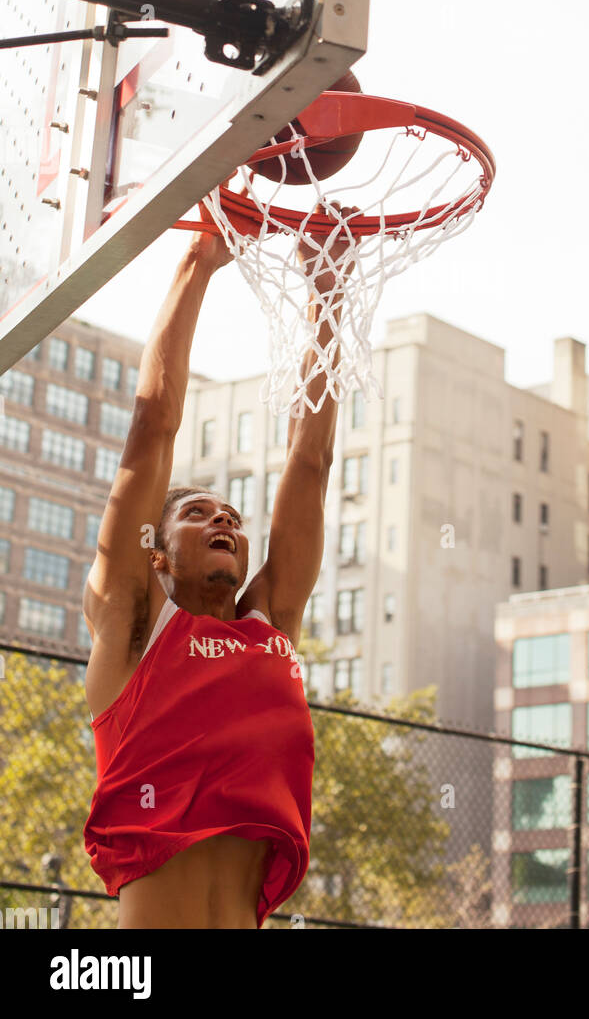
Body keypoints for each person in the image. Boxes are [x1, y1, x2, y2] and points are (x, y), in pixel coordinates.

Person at [81, 203, 351, 928]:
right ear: (156, 553)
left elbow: (310, 461)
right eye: (197, 513)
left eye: (230, 513)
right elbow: (152, 429)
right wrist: (199, 263)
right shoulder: (134, 625)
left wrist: (326, 297)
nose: (223, 518)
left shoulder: (272, 629)